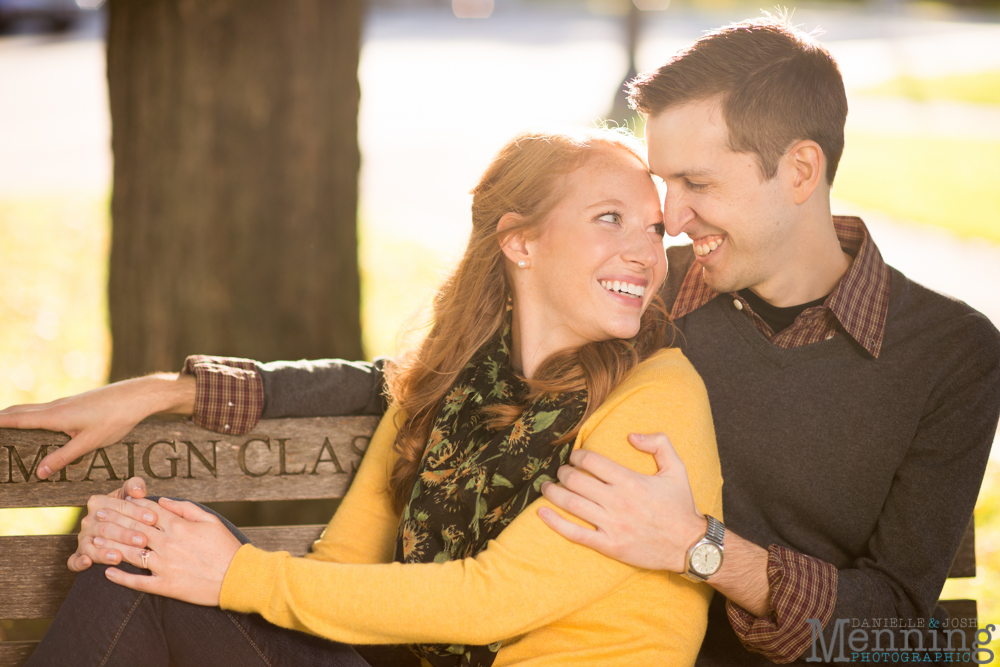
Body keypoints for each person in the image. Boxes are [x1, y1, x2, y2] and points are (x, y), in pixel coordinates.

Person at [7, 14, 1000, 666]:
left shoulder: (949, 355)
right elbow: (423, 379)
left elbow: (901, 632)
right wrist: (173, 391)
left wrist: (701, 548)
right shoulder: (669, 299)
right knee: (135, 569)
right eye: (652, 200)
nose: (671, 223)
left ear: (798, 169)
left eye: (692, 189)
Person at [3, 127, 724, 667]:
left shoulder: (656, 392)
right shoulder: (445, 385)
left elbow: (491, 597)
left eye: (655, 230)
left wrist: (232, 571)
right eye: (611, 219)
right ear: (520, 242)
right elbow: (340, 571)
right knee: (137, 559)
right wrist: (158, 541)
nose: (646, 252)